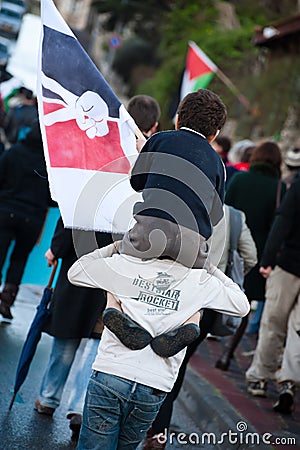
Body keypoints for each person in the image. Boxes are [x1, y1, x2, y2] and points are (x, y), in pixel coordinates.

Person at [67, 242, 250, 450]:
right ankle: (192, 320)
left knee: (111, 288)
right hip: (154, 383)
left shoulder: (126, 264)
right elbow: (242, 305)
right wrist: (209, 268)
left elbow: (76, 272)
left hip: (112, 372)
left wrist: (116, 247)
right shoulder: (200, 280)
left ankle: (113, 305)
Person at [104, 89, 227, 352]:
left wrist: (145, 154)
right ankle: (190, 322)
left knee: (115, 265)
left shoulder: (159, 140)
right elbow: (216, 214)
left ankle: (114, 309)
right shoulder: (218, 163)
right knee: (196, 285)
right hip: (192, 244)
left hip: (149, 233)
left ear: (178, 119)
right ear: (214, 134)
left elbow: (136, 183)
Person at [143, 204, 257, 449]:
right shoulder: (236, 217)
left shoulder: (184, 204)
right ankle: (159, 431)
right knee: (180, 364)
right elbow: (250, 257)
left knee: (157, 358)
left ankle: (147, 423)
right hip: (208, 302)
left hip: (176, 297)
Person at [34, 217, 113, 439]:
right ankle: (80, 407)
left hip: (75, 275)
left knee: (66, 340)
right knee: (96, 348)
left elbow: (65, 228)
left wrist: (55, 250)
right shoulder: (131, 194)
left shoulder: (81, 191)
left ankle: (49, 398)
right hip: (108, 280)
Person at [216, 141, 286, 370]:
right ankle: (228, 352)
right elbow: (277, 225)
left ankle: (205, 334)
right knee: (243, 303)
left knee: (216, 293)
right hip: (256, 252)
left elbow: (223, 210)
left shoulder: (240, 179)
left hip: (229, 246)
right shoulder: (279, 188)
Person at [245, 177, 300, 414]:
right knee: (299, 330)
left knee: (273, 324)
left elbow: (284, 219)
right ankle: (289, 382)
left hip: (288, 263)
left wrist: (267, 259)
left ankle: (260, 377)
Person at [0, 120, 53, 320]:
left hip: (6, 212)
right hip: (32, 219)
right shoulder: (47, 164)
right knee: (19, 259)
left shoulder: (13, 153)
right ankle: (7, 300)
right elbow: (52, 198)